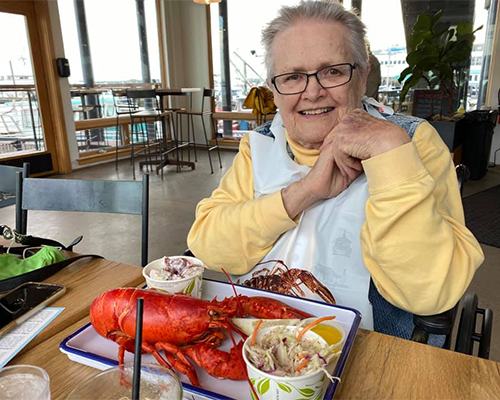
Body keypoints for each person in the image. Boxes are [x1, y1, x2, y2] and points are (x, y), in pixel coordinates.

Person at [187, 0, 483, 339]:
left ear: (363, 74)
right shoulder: (260, 145)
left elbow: (431, 293)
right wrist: (306, 191)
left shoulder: (411, 142)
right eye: (293, 76)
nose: (312, 92)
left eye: (333, 71)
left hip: (370, 354)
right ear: (273, 88)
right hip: (256, 343)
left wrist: (389, 153)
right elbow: (208, 247)